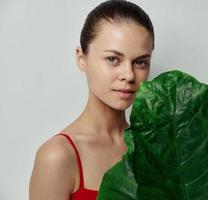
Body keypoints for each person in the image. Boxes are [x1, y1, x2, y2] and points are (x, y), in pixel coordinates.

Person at [29, 0, 155, 199]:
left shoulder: (153, 147)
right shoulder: (58, 156)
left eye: (140, 62)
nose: (129, 75)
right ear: (82, 58)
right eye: (113, 59)